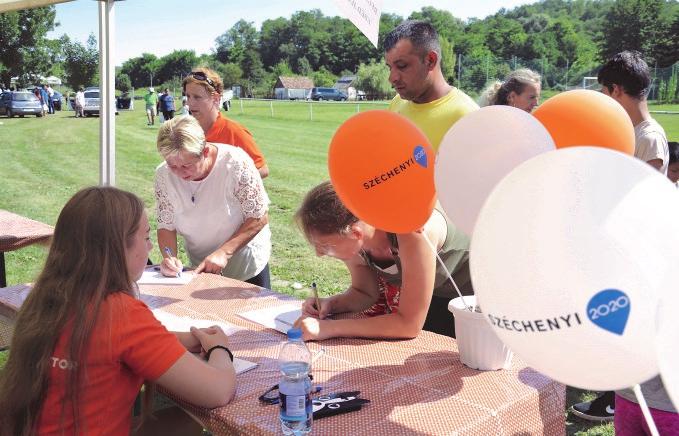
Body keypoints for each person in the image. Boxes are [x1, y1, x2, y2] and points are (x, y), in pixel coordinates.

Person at [0, 186, 236, 435]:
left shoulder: (47, 297)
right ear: (116, 248)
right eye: (145, 238)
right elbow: (217, 391)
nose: (149, 249)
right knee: (190, 421)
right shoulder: (120, 314)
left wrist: (187, 338)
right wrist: (220, 348)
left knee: (183, 420)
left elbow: (113, 342)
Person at [572, 50, 671, 423]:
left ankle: (614, 399)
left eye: (603, 91)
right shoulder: (623, 132)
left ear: (615, 90)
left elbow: (642, 200)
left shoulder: (649, 138)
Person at [293, 181, 472, 341]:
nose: (319, 254)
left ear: (356, 233)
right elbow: (364, 293)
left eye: (325, 245)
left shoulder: (411, 230)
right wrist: (331, 304)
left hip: (479, 297)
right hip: (439, 294)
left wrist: (329, 328)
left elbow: (408, 325)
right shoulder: (357, 240)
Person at [155, 115, 272, 288]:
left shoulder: (236, 163)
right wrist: (169, 258)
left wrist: (224, 252)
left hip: (245, 265)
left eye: (186, 166)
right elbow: (166, 224)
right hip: (201, 265)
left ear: (205, 152)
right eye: (172, 166)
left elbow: (259, 216)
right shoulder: (163, 174)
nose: (179, 173)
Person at [385, 20, 478, 151]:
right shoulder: (396, 103)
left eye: (402, 66)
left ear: (430, 60)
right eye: (390, 68)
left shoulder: (466, 116)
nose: (392, 78)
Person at [182, 67, 269, 178]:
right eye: (188, 96)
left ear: (216, 98)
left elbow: (262, 169)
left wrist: (227, 183)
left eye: (197, 97)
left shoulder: (234, 131)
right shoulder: (187, 131)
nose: (190, 103)